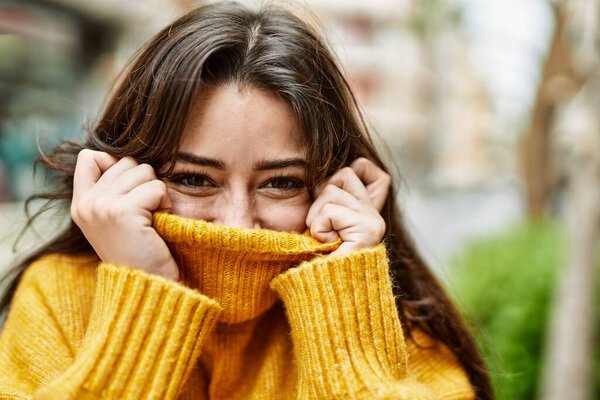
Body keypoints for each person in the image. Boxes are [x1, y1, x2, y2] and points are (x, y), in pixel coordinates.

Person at [0, 2, 492, 399]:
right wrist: (143, 296)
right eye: (194, 178)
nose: (238, 224)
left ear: (338, 185)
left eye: (280, 183)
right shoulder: (59, 297)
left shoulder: (379, 314)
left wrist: (345, 314)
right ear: (119, 177)